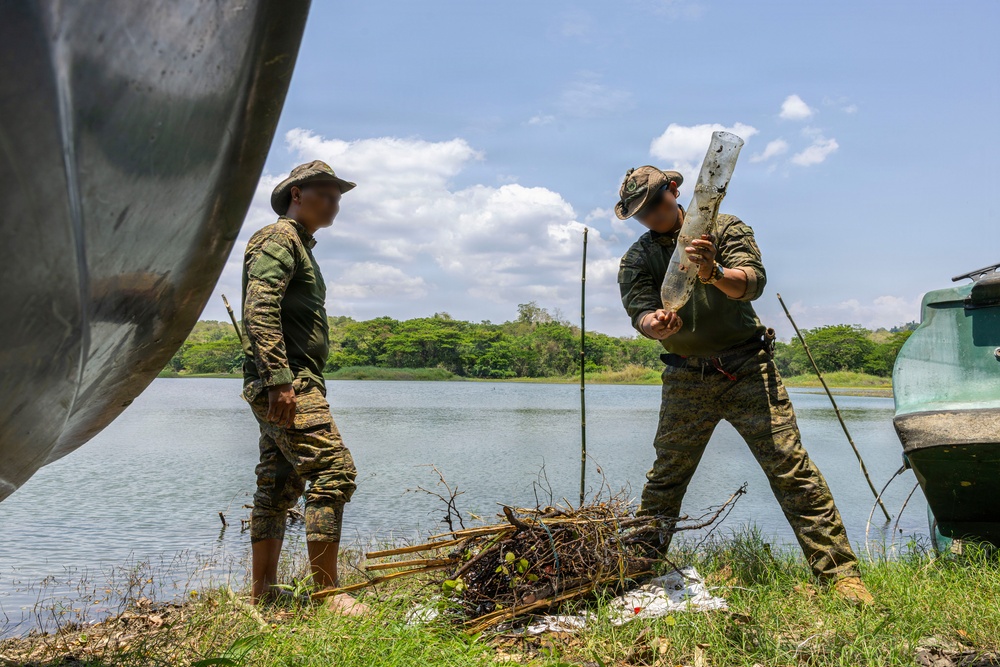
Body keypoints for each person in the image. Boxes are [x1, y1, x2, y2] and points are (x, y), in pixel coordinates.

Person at [615, 165, 873, 605]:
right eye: (641, 213)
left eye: (656, 204)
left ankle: (841, 577)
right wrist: (655, 324)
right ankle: (634, 573)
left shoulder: (723, 229)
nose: (652, 216)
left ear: (675, 191)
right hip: (685, 377)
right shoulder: (638, 258)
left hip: (747, 368)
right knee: (666, 481)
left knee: (791, 469)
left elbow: (752, 283)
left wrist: (713, 271)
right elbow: (639, 311)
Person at [241, 160, 365, 614]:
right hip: (286, 382)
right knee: (335, 471)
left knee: (277, 483)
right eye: (325, 194)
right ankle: (329, 595)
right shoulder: (278, 239)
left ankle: (264, 593)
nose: (334, 204)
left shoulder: (301, 246)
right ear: (297, 194)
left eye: (338, 197)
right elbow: (260, 308)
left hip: (295, 381)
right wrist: (278, 380)